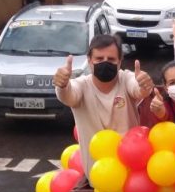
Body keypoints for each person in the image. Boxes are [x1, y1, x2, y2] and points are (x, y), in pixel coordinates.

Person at [54, 35, 154, 177]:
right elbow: (68, 94)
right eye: (99, 59)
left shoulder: (126, 79)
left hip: (131, 175)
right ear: (89, 60)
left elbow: (138, 89)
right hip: (97, 177)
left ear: (120, 62)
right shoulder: (81, 86)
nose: (105, 63)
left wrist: (144, 84)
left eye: (111, 59)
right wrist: (62, 84)